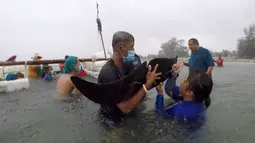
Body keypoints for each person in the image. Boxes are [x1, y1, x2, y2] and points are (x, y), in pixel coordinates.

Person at [98, 31, 161, 125]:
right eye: (131, 46)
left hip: (126, 111)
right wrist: (147, 85)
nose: (133, 50)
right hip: (112, 119)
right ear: (120, 48)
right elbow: (124, 107)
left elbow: (131, 87)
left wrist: (146, 79)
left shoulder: (125, 64)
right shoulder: (108, 74)